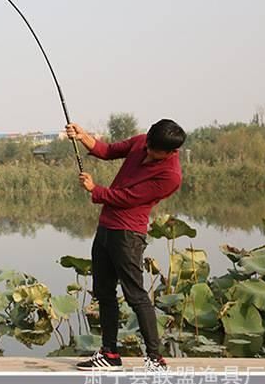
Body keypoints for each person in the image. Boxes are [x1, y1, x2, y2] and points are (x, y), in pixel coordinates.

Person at [67, 119, 186, 372]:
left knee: (136, 296)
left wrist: (95, 190)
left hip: (128, 235)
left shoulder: (171, 175)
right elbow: (108, 151)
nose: (148, 151)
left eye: (154, 151)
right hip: (106, 228)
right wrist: (83, 136)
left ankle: (155, 358)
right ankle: (110, 353)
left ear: (170, 152)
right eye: (148, 145)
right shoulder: (144, 141)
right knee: (104, 292)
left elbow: (130, 198)